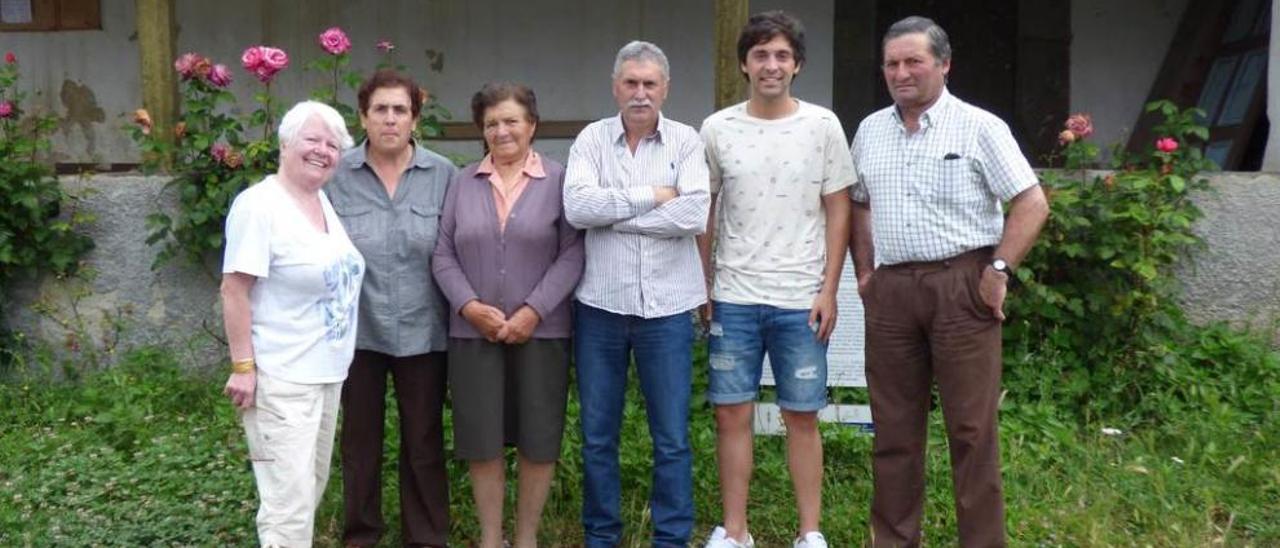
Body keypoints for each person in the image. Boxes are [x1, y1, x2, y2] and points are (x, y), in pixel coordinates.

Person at [849, 16, 1050, 547]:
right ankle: (893, 541)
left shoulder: (979, 126)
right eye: (892, 63)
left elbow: (1031, 202)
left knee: (971, 431)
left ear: (944, 64)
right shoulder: (870, 130)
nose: (901, 72)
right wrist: (866, 273)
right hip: (892, 292)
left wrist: (999, 270)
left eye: (913, 61)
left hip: (963, 286)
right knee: (893, 432)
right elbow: (859, 205)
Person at [698, 11, 854, 548]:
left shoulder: (822, 125)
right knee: (730, 414)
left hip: (801, 298)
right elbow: (706, 212)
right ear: (744, 63)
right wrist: (706, 285)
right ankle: (734, 531)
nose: (771, 65)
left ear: (798, 65)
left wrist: (830, 288)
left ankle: (810, 532)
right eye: (761, 54)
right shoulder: (717, 128)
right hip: (735, 296)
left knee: (803, 416)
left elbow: (839, 209)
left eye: (782, 55)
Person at [562, 40, 710, 547]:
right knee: (598, 437)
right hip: (600, 309)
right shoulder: (591, 140)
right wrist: (653, 196)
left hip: (667, 312)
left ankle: (670, 538)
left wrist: (617, 216)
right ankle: (601, 536)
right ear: (615, 87)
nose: (640, 93)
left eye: (650, 84)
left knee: (670, 439)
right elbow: (579, 210)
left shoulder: (687, 142)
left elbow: (693, 215)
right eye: (631, 83)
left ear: (665, 88)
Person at [432, 82, 584, 548]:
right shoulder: (462, 182)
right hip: (472, 334)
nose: (501, 131)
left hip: (542, 333)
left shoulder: (559, 180)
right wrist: (471, 307)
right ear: (482, 130)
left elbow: (574, 252)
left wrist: (533, 311)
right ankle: (491, 538)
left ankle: (527, 539)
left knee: (539, 438)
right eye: (492, 123)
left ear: (532, 125)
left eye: (511, 121)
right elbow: (441, 254)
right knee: (482, 440)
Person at [221, 100, 363, 547]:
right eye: (312, 139)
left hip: (325, 375)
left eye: (332, 144)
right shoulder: (260, 205)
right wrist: (243, 367)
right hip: (282, 377)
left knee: (309, 490)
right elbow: (234, 289)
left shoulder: (318, 199)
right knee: (287, 505)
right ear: (286, 143)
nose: (323, 150)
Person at [324, 69, 455, 548]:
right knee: (360, 444)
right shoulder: (336, 175)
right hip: (356, 333)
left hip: (425, 331)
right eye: (380, 109)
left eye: (401, 109)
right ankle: (362, 536)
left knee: (422, 443)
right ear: (362, 116)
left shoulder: (443, 175)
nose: (390, 119)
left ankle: (425, 538)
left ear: (415, 118)